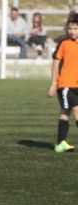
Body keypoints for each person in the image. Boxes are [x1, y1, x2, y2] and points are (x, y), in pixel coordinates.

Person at [48, 13, 78, 153]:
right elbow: (55, 62)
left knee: (65, 113)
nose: (72, 31)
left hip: (76, 85)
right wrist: (54, 84)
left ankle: (61, 143)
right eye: (70, 28)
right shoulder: (64, 43)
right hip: (66, 85)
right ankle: (61, 143)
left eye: (75, 28)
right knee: (77, 111)